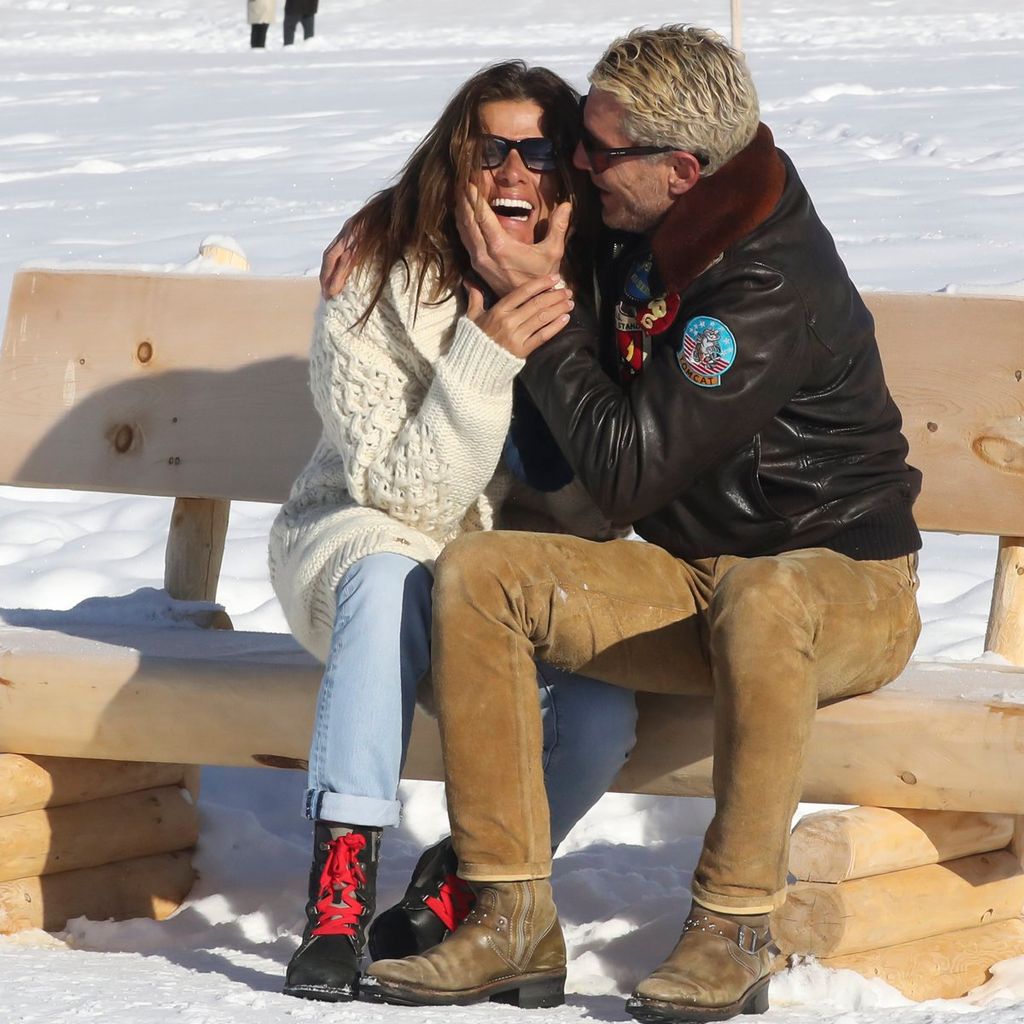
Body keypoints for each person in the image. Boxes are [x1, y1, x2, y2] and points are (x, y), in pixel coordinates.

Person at [364, 25, 923, 1020]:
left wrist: (536, 304)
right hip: (694, 580)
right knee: (480, 574)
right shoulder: (659, 213)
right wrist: (382, 227)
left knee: (763, 589)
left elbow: (622, 472)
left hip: (843, 587)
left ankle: (734, 926)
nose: (579, 163)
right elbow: (511, 208)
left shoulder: (760, 284)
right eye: (579, 136)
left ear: (679, 168)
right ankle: (505, 914)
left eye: (597, 151)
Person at [267, 61, 638, 1004]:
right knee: (390, 574)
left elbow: (603, 506)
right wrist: (484, 355)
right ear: (455, 162)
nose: (513, 173)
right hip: (369, 549)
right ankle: (341, 899)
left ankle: (465, 880)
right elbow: (405, 497)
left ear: (573, 174)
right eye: (489, 150)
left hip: (512, 586)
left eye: (539, 150)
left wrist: (556, 338)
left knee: (601, 717)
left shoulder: (609, 288)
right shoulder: (376, 281)